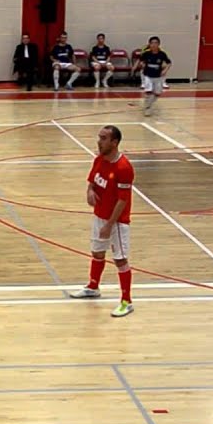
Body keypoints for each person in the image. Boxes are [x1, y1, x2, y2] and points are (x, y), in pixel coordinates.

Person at [68, 125, 135, 318]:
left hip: (117, 222)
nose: (99, 141)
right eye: (99, 137)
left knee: (120, 260)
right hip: (99, 215)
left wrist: (109, 224)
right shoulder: (99, 159)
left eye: (104, 138)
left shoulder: (124, 168)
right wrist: (89, 191)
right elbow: (92, 181)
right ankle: (93, 286)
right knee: (97, 252)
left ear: (114, 142)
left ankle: (126, 301)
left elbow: (123, 201)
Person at [132, 37, 171, 114]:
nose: (153, 45)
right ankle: (147, 108)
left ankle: (148, 104)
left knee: (157, 93)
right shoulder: (146, 53)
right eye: (152, 43)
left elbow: (169, 63)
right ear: (149, 44)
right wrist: (135, 67)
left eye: (155, 43)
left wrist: (165, 70)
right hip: (148, 76)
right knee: (148, 92)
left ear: (159, 44)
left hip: (158, 77)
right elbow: (140, 60)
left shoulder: (162, 54)